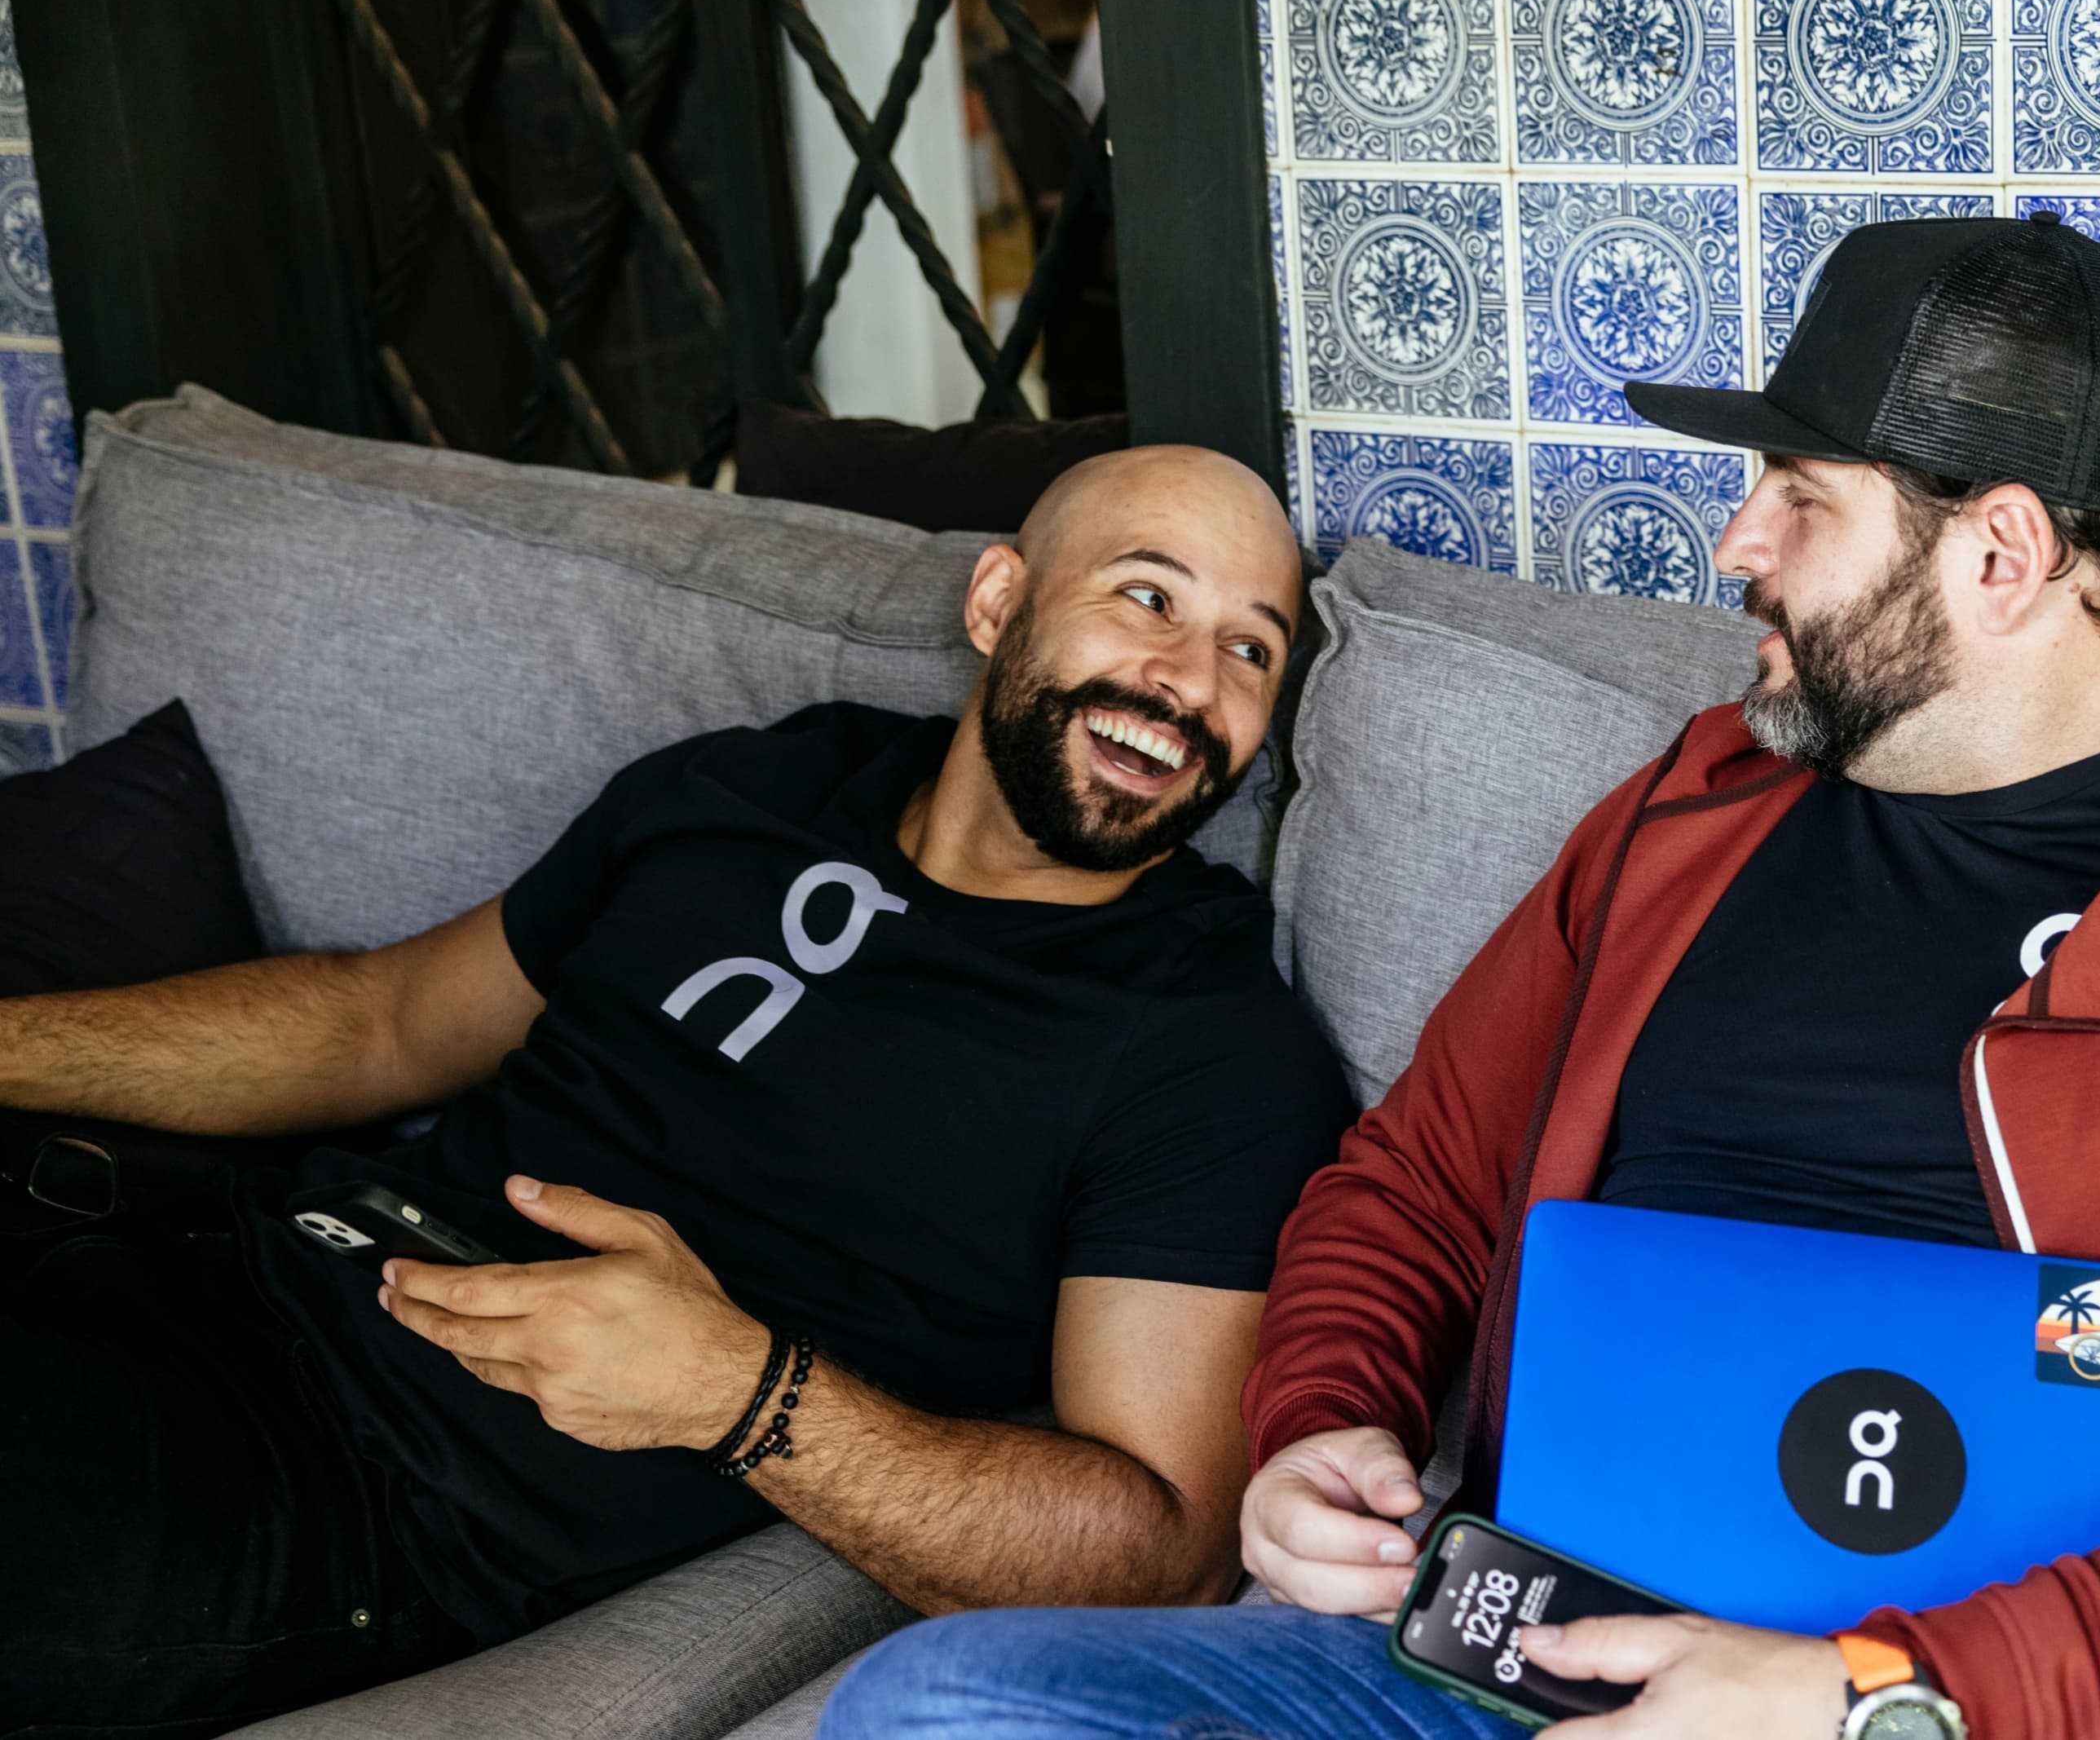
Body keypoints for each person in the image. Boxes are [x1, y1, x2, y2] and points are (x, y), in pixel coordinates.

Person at [818, 215, 2100, 1740]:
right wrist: (1323, 1424)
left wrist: (1866, 1692)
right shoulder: (1692, 815)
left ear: (2004, 554)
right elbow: (1421, 1182)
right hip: (1528, 1654)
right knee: (946, 1703)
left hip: (1952, 1706)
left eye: (1799, 498)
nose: (1735, 545)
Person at [0, 447, 1357, 1740]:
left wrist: (741, 1393)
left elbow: (1167, 1547)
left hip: (364, 1491)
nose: (1187, 681)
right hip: (205, 1269)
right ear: (999, 602)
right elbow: (381, 1021)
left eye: (1252, 648)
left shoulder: (1212, 1046)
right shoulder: (759, 780)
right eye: (1146, 596)